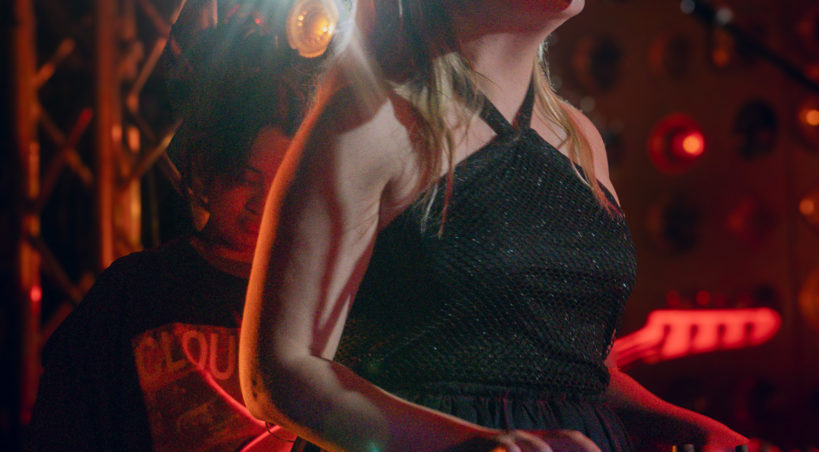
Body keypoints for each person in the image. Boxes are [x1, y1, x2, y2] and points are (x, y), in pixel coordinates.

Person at [238, 0, 749, 451]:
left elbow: (577, 372)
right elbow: (280, 373)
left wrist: (684, 425)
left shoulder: (580, 138)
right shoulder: (372, 121)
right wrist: (476, 446)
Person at [27, 18, 304, 451]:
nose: (261, 203)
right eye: (245, 179)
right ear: (206, 170)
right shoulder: (134, 291)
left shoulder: (310, 299)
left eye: (280, 185)